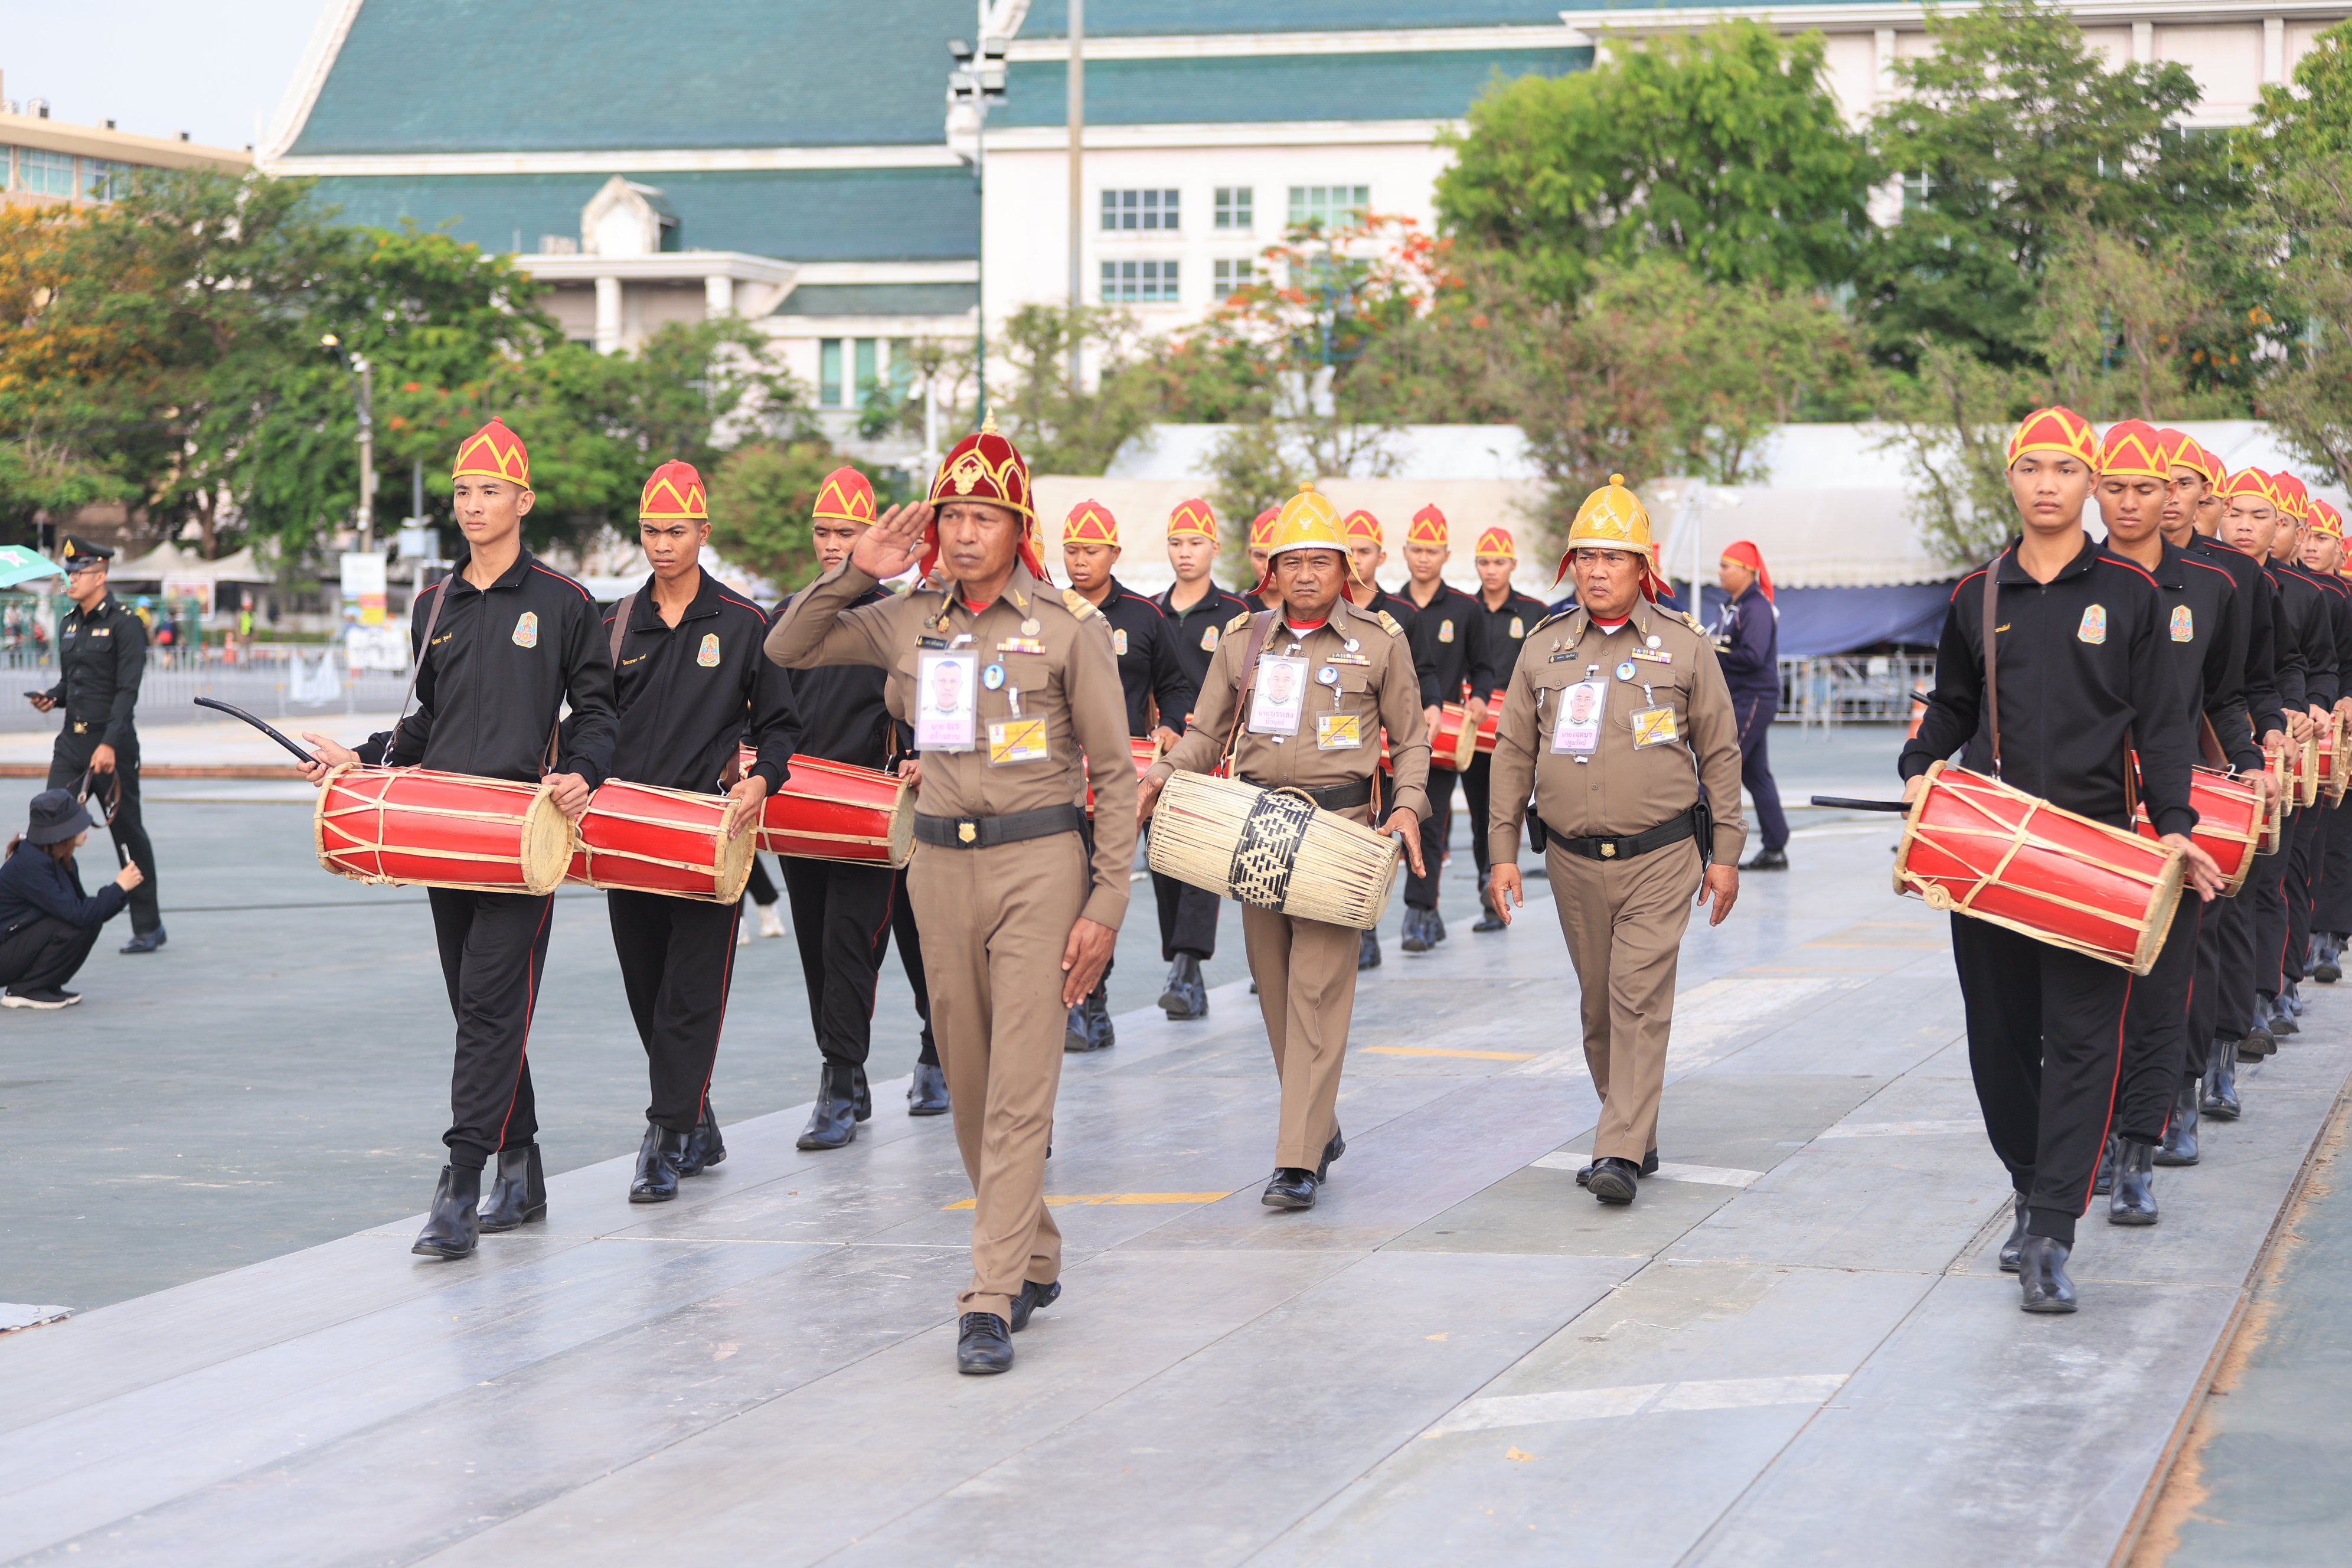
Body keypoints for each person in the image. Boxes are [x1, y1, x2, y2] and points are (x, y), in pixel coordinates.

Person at [765, 417, 1136, 1377]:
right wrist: (857, 570)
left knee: (1018, 1085)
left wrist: (1105, 905)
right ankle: (1035, 1255)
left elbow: (1113, 774)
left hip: (1038, 866)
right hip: (936, 866)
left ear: (1019, 527)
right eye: (953, 515)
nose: (967, 533)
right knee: (968, 1082)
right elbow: (790, 645)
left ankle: (989, 1293)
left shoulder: (1068, 628)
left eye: (986, 516)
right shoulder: (907, 616)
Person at [1899, 407, 2221, 1314]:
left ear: (2089, 482)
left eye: (2065, 469)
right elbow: (1953, 704)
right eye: (2032, 468)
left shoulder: (2131, 594)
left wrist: (2174, 822)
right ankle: (2028, 1176)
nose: (2048, 484)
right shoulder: (1977, 595)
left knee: (2083, 1043)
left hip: (2095, 856)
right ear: (2011, 478)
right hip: (1991, 854)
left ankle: (2050, 1232)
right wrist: (1921, 764)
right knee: (2000, 1040)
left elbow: (2163, 727)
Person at [296, 417, 618, 1262]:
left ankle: (459, 1186)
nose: (474, 505)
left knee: (486, 1007)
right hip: (443, 836)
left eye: (490, 491)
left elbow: (597, 712)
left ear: (524, 501)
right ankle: (522, 1164)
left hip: (523, 841)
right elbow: (426, 722)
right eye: (464, 492)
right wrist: (360, 757)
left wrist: (583, 770)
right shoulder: (433, 604)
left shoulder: (565, 603)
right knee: (480, 1007)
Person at [1139, 482, 1429, 1211]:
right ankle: (1318, 1124)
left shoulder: (1379, 641)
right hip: (1257, 831)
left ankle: (1296, 1161)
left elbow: (1412, 739)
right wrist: (1164, 772)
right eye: (1291, 561)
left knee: (1316, 993)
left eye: (1320, 561)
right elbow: (1208, 734)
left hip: (1339, 835)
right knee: (1275, 994)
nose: (1304, 574)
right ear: (1271, 570)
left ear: (1344, 570)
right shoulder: (1244, 641)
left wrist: (1407, 807)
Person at [1486, 475, 1745, 1210]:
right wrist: (1502, 850)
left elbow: (1721, 753)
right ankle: (1634, 1126)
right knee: (1599, 1010)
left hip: (1662, 856)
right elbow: (1513, 752)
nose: (1598, 571)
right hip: (1572, 863)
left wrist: (1726, 853)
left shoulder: (1684, 646)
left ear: (1642, 566)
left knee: (1637, 998)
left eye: (1613, 557)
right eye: (1587, 557)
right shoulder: (1543, 648)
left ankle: (1617, 1149)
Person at [598, 460, 800, 1201]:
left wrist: (761, 779)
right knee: (646, 989)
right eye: (650, 531)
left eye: (676, 531)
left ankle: (664, 1138)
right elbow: (589, 718)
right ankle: (697, 1117)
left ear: (703, 532)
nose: (662, 544)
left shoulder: (744, 623)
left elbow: (780, 725)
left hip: (708, 835)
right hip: (626, 835)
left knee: (692, 991)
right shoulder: (614, 623)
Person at [2092, 420, 2255, 1221]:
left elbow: (2227, 694)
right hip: (2085, 813)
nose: (2135, 502)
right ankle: (2085, 1143)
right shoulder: (2065, 583)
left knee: (2166, 987)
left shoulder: (2214, 587)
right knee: (2085, 994)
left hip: (2176, 812)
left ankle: (2148, 1140)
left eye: (2151, 487)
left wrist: (2251, 760)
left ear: (2177, 496)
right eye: (2116, 486)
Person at [776, 466, 952, 1146]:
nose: (832, 544)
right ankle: (848, 1073)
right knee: (817, 951)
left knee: (863, 943)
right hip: (799, 810)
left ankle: (857, 1075)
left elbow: (930, 699)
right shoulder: (790, 616)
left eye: (846, 533)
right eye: (822, 531)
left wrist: (922, 753)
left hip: (877, 808)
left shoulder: (899, 615)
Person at [2161, 431, 2281, 1126]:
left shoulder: (2232, 579)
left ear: (2204, 494)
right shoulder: (2091, 575)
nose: (2164, 497)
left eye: (2180, 483)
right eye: (2147, 483)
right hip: (2110, 784)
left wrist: (2262, 746)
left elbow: (2249, 683)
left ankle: (2208, 1070)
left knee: (2210, 930)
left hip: (2206, 773)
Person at [1059, 498, 1191, 1051]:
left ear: (1114, 553)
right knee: (1066, 891)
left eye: (1091, 551)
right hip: (1057, 778)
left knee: (1102, 889)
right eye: (1071, 551)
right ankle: (1082, 1005)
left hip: (1121, 782)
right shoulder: (1048, 611)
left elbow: (1177, 686)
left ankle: (1093, 1001)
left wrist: (1173, 727)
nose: (1080, 561)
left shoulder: (1143, 616)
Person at [27, 536, 165, 953]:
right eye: (67, 573)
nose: (70, 580)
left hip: (112, 745)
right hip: (71, 742)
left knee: (126, 832)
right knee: (49, 824)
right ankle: (56, 914)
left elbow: (126, 692)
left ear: (100, 576)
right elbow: (72, 683)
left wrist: (108, 744)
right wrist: (52, 697)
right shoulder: (69, 623)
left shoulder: (126, 624)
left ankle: (148, 926)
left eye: (77, 573)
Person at [2218, 468, 2307, 1066]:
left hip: (2253, 752)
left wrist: (2296, 712)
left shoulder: (2299, 592)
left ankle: (2259, 1002)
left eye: (2260, 516)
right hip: (2175, 758)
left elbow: (2288, 666)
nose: (2246, 526)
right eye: (2237, 513)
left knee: (2262, 881)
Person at [1150, 498, 1249, 1019]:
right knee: (1163, 859)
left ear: (1215, 548)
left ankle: (1187, 967)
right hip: (1161, 753)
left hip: (1215, 754)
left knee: (1201, 859)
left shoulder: (1236, 615)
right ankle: (1181, 965)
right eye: (1176, 543)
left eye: (1195, 543)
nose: (1184, 553)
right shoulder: (1150, 611)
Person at [1396, 505, 1500, 953]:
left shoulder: (1465, 608)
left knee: (1430, 821)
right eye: (1417, 550)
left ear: (1446, 555)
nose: (1424, 558)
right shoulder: (1389, 608)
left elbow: (1484, 666)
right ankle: (1419, 914)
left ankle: (1419, 913)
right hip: (1391, 737)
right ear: (1404, 552)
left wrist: (1480, 698)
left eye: (1432, 551)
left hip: (1442, 736)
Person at [1338, 509, 1430, 969]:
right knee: (1353, 841)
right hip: (1345, 752)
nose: (1356, 560)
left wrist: (1432, 711)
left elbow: (1422, 678)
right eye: (1349, 551)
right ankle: (1363, 932)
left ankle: (1411, 914)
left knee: (1394, 831)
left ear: (1381, 556)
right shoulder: (1323, 616)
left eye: (1364, 551)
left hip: (1393, 744)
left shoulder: (1400, 616)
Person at [1465, 527, 1550, 932]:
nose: (1491, 570)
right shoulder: (1466, 611)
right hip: (1475, 732)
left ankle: (1504, 883)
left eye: (1499, 562)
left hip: (1520, 734)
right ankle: (1488, 890)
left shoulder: (1535, 613)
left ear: (1513, 565)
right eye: (1484, 562)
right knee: (1481, 816)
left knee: (1514, 810)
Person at [0, 789, 144, 1007]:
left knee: (89, 921)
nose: (85, 828)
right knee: (75, 922)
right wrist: (119, 888)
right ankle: (27, 989)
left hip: (14, 946)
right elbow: (77, 914)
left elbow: (84, 911)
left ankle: (43, 985)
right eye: (77, 825)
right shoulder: (31, 863)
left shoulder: (58, 858)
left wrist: (121, 890)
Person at [1713, 540, 1789, 872]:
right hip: (1741, 696)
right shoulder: (1735, 605)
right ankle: (1775, 847)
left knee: (1720, 766)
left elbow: (1754, 655)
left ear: (1746, 570)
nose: (1720, 572)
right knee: (1756, 775)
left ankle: (1693, 845)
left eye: (1726, 566)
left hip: (1753, 697)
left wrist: (1715, 655)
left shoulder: (1756, 606)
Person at [1244, 508, 1280, 611]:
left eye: (1276, 558)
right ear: (1250, 554)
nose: (1267, 567)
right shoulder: (1235, 607)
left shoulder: (1310, 611)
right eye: (1260, 557)